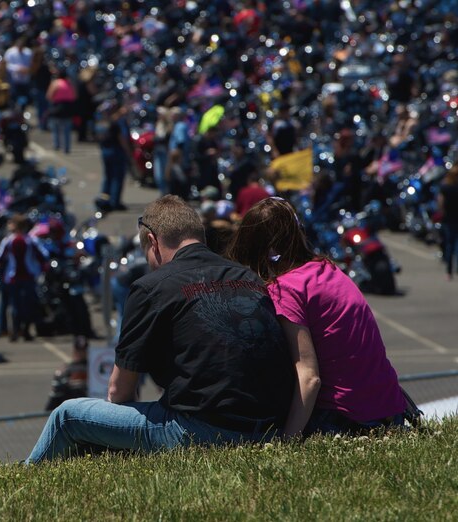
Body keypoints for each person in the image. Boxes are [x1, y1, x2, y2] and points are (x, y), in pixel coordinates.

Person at [26, 196, 294, 463]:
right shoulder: (249, 277)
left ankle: (22, 484)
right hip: (269, 429)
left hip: (202, 432)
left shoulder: (151, 287)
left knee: (67, 416)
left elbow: (119, 392)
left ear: (153, 241)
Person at [226, 197, 406, 436]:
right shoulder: (329, 269)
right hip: (390, 410)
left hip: (347, 420)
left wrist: (287, 442)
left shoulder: (286, 290)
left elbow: (309, 378)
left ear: (259, 250)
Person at [0, 214, 48, 342]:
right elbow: (43, 256)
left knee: (15, 305)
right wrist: (41, 269)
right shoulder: (31, 240)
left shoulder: (8, 241)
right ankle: (26, 330)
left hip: (12, 277)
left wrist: (1, 273)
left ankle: (15, 331)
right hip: (29, 276)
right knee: (29, 304)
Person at [95, 102, 131, 212]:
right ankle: (115, 201)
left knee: (108, 177)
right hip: (116, 151)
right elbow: (122, 139)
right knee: (117, 177)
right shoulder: (114, 124)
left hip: (105, 150)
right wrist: (128, 152)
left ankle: (104, 199)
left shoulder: (101, 123)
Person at [45, 70, 77, 154]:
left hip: (58, 106)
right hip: (68, 107)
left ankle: (57, 144)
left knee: (55, 127)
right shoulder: (70, 84)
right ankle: (66, 147)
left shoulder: (55, 83)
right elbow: (74, 96)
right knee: (67, 128)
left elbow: (49, 95)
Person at [438, 166, 458, 280]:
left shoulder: (445, 188)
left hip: (448, 219)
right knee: (456, 244)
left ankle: (449, 271)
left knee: (449, 244)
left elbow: (440, 203)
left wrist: (442, 213)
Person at [3, 37, 33, 107]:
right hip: (14, 79)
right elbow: (6, 65)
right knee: (14, 97)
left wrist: (26, 69)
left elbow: (31, 64)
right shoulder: (10, 52)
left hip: (25, 79)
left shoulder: (28, 52)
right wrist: (17, 68)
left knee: (25, 98)